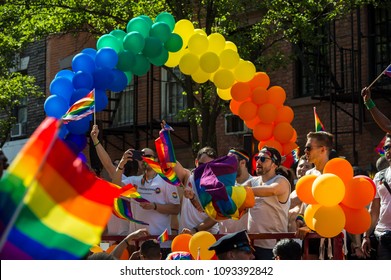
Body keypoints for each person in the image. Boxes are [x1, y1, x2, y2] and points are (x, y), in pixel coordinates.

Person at [112, 148, 180, 259]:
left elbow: (176, 209)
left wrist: (154, 206)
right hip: (137, 243)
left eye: (147, 156)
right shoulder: (134, 181)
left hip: (159, 243)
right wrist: (121, 163)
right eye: (141, 157)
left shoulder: (166, 181)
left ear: (156, 159)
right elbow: (115, 186)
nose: (144, 159)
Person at [295, 131, 339, 259]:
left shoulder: (335, 173)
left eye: (309, 148)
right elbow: (306, 202)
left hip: (330, 235)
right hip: (310, 234)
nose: (305, 152)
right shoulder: (309, 174)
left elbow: (332, 206)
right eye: (305, 148)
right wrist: (301, 218)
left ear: (323, 149)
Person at [247, 146, 291, 260]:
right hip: (252, 245)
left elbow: (272, 190)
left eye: (263, 159)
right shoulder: (253, 181)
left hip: (274, 246)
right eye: (257, 158)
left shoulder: (281, 181)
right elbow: (236, 191)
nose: (258, 162)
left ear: (274, 165)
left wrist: (244, 191)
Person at [176, 146, 219, 234]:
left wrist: (195, 230)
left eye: (209, 166)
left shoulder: (218, 185)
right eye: (201, 164)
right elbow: (171, 163)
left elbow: (215, 217)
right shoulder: (188, 176)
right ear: (196, 162)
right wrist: (165, 141)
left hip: (207, 237)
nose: (204, 169)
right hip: (185, 236)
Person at [362, 133, 391, 260]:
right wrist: (366, 236)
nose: (388, 151)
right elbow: (374, 210)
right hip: (384, 235)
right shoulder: (379, 176)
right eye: (386, 148)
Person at [219, 148, 252, 233]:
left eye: (231, 162)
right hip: (223, 239)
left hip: (242, 240)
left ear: (243, 163)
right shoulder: (223, 184)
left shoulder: (256, 183)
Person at [288, 155, 313, 233]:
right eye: (301, 166)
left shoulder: (311, 190)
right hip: (289, 235)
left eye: (307, 166)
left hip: (304, 236)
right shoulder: (293, 191)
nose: (303, 169)